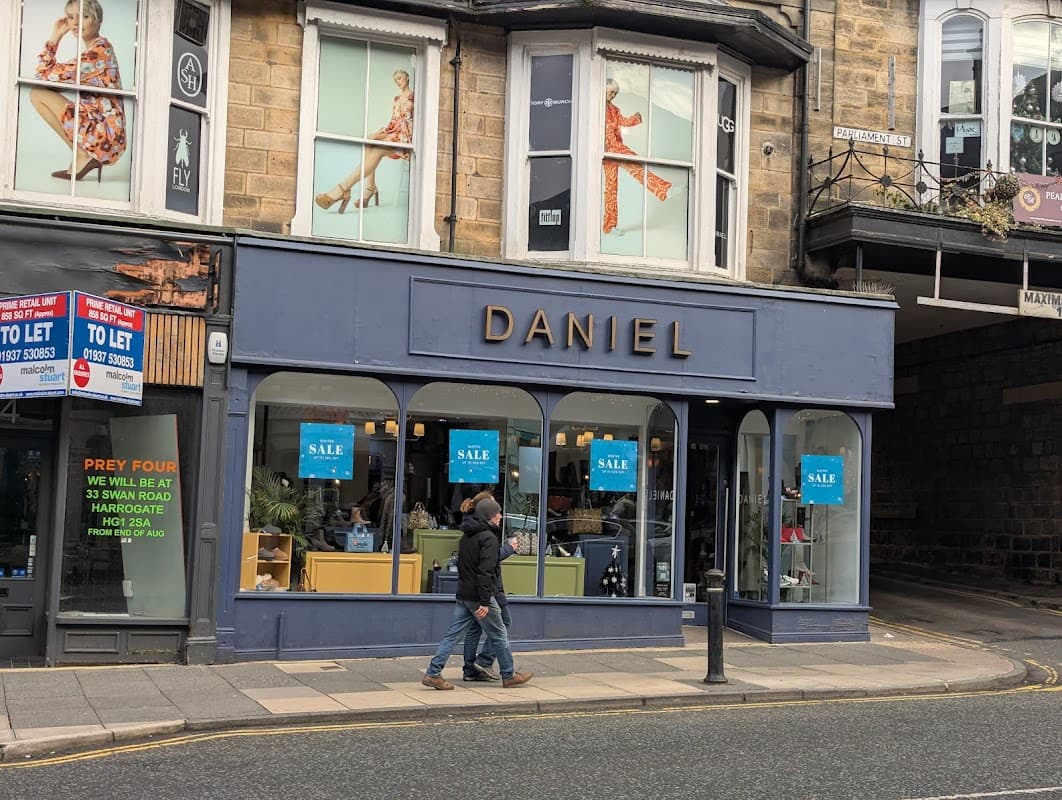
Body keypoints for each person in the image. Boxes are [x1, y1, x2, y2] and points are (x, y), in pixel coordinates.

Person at [422, 497, 533, 690]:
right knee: (499, 633)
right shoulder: (488, 538)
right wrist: (483, 601)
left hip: (463, 595)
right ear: (489, 516)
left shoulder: (467, 536)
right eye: (497, 513)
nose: (500, 516)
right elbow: (486, 571)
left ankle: (433, 672)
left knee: (452, 635)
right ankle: (509, 675)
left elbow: (464, 567)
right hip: (479, 597)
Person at [31, 0, 127, 183]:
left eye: (84, 16)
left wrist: (55, 37)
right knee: (39, 92)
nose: (75, 23)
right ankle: (82, 154)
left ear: (98, 21)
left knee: (37, 93)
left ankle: (84, 155)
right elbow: (49, 79)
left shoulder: (97, 53)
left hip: (105, 136)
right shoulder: (98, 49)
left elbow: (42, 76)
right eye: (70, 17)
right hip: (107, 135)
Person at [315, 69, 414, 213]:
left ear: (407, 77)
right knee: (370, 139)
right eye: (396, 80)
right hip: (396, 133)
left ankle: (342, 189)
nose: (398, 82)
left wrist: (388, 136)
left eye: (400, 78)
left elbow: (416, 123)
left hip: (406, 138)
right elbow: (393, 122)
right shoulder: (397, 99)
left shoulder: (414, 97)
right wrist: (379, 134)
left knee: (378, 149)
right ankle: (370, 187)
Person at [459, 490, 516, 681]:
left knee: (473, 629)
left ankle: (470, 670)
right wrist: (509, 549)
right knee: (502, 626)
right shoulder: (485, 533)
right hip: (488, 588)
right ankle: (488, 664)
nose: (500, 515)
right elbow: (487, 563)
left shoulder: (470, 529)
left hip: (473, 589)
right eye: (495, 510)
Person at [602, 78, 671, 234]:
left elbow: (624, 122)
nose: (613, 95)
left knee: (617, 185)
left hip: (614, 149)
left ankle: (609, 227)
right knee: (611, 189)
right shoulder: (595, 107)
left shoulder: (614, 110)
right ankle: (609, 226)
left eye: (615, 93)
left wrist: (636, 118)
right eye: (611, 92)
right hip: (608, 150)